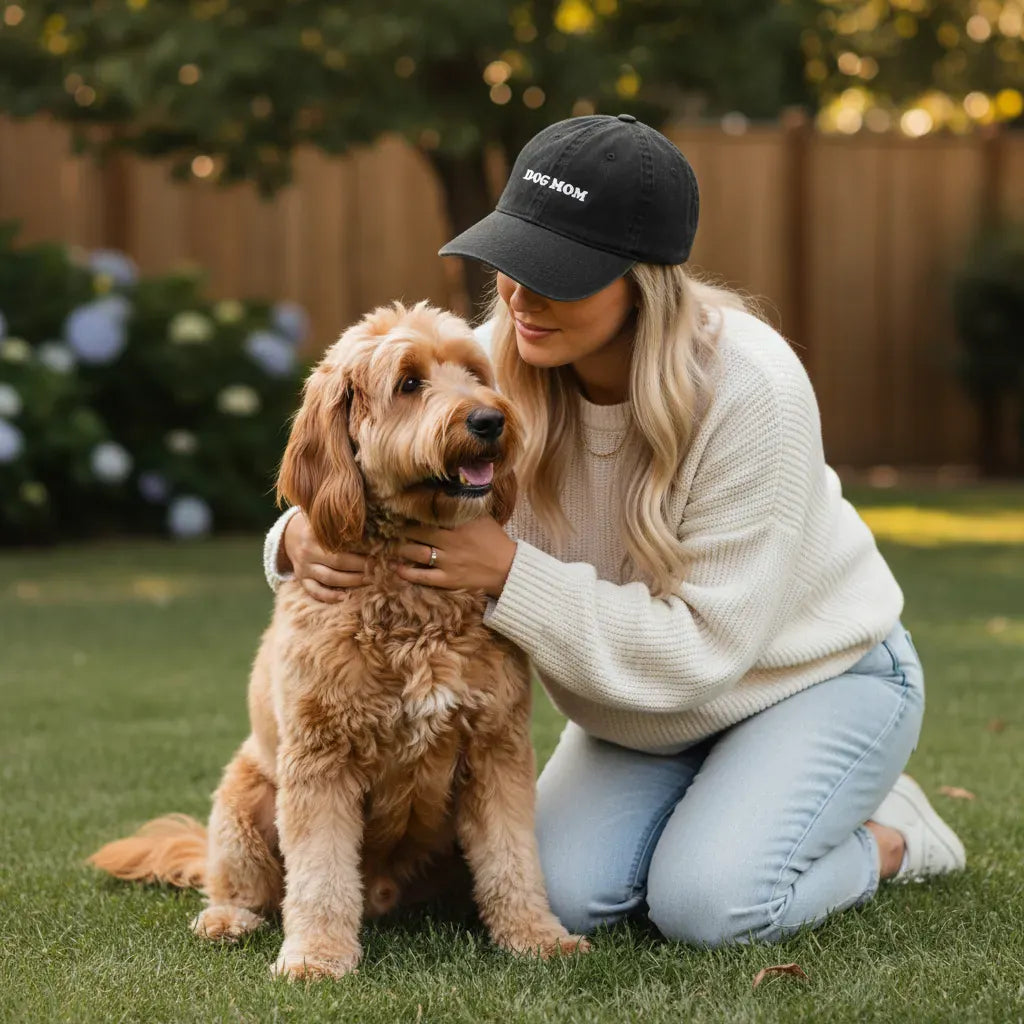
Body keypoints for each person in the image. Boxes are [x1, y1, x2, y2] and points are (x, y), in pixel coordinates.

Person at [262, 114, 965, 946]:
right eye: (514, 263)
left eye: (558, 274)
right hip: (644, 713)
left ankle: (893, 836)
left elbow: (706, 654)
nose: (520, 298)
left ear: (645, 281)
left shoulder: (753, 389)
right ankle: (734, 808)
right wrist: (295, 540)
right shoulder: (500, 358)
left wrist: (508, 574)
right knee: (573, 891)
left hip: (808, 679)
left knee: (708, 905)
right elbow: (361, 448)